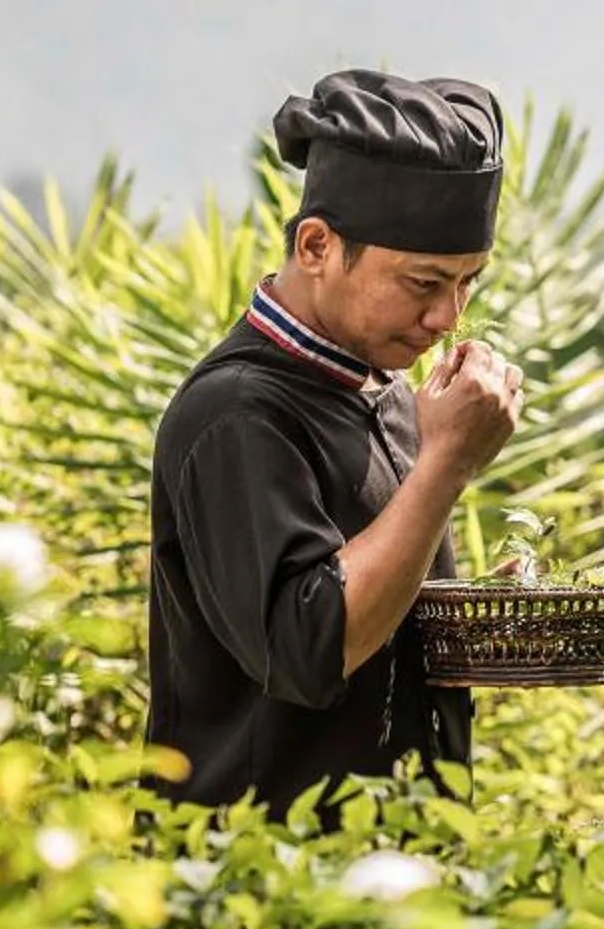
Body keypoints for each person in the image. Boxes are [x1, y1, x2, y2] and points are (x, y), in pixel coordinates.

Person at [144, 67, 526, 817]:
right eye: (422, 284)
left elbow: (372, 597)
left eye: (467, 282)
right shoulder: (239, 414)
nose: (449, 316)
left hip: (392, 882)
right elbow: (311, 651)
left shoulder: (380, 387)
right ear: (316, 245)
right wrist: (447, 461)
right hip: (255, 893)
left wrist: (460, 613)